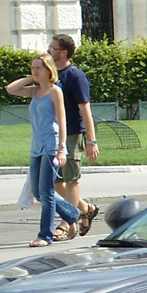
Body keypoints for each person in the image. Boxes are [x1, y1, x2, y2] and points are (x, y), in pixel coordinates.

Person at [6, 54, 81, 248]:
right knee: (38, 194)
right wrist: (32, 78)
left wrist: (62, 149)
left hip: (51, 145)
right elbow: (11, 89)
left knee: (46, 192)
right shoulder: (34, 92)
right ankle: (72, 214)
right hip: (36, 147)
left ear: (49, 70)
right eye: (32, 68)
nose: (35, 71)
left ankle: (45, 235)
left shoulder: (55, 92)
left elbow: (62, 120)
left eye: (38, 68)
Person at [48, 34, 99, 238]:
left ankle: (67, 224)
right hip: (53, 134)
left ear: (64, 52)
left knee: (71, 180)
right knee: (55, 182)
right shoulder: (50, 74)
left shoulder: (75, 76)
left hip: (72, 134)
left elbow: (85, 109)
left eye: (52, 48)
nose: (48, 51)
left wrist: (91, 140)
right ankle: (86, 209)